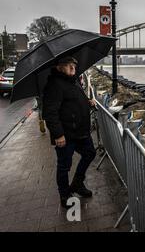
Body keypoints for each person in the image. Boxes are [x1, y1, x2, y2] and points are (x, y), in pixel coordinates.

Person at [42, 56, 97, 208]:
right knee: (64, 166)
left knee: (90, 153)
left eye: (74, 65)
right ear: (59, 67)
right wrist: (58, 134)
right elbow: (49, 112)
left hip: (80, 131)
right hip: (65, 135)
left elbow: (74, 99)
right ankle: (64, 194)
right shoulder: (54, 85)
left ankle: (78, 183)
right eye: (69, 66)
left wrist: (88, 102)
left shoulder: (73, 80)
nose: (73, 68)